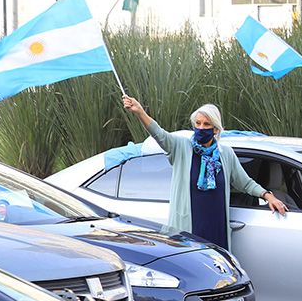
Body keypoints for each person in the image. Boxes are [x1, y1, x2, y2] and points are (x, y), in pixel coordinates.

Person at [123, 96, 287, 251]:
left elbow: (244, 182)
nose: (201, 128)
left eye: (206, 124)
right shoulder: (181, 147)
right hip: (188, 229)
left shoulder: (226, 154)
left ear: (215, 129)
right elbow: (160, 135)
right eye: (198, 124)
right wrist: (140, 112)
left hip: (216, 228)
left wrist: (268, 196)